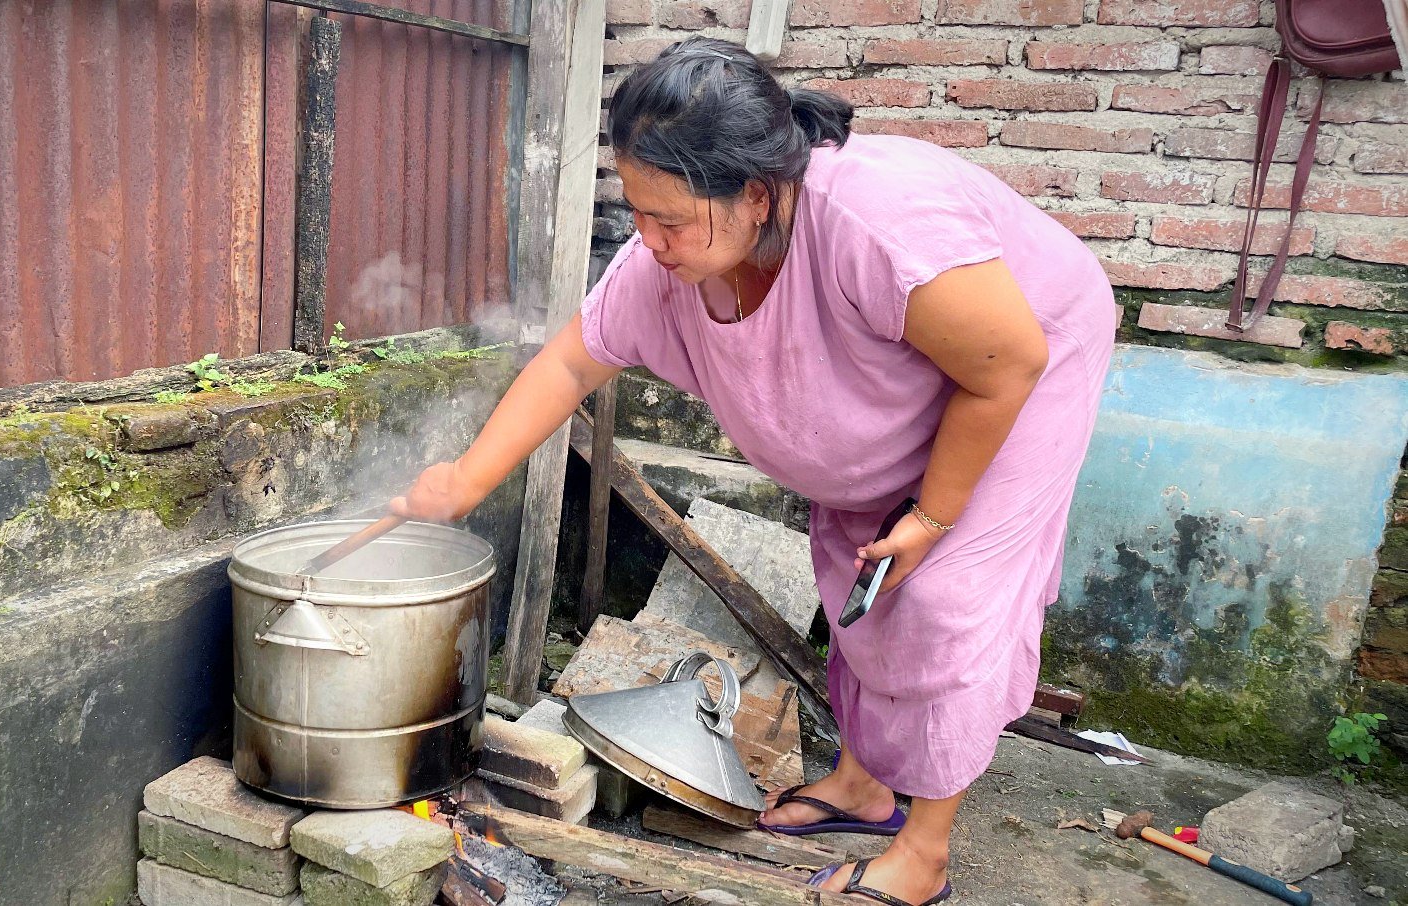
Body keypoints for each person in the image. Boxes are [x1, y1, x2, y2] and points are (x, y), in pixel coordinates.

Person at [393, 37, 1116, 906]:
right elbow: (567, 366)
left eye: (672, 221)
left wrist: (932, 516)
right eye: (637, 213)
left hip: (1024, 362)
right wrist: (466, 480)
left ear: (759, 195)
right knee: (862, 578)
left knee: (937, 597)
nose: (648, 242)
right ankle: (865, 784)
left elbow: (1004, 364)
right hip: (918, 381)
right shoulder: (662, 265)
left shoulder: (874, 225)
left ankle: (924, 856)